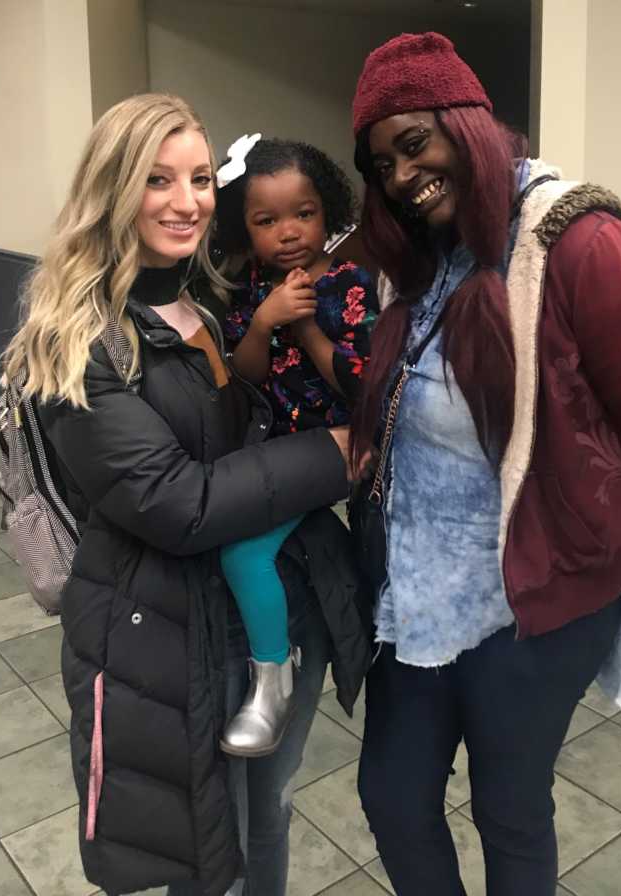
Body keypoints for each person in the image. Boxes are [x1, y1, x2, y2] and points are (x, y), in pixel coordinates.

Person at [347, 33, 621, 896]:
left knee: (509, 810)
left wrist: (582, 538)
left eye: (415, 142)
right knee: (392, 796)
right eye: (382, 163)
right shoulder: (424, 257)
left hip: (531, 606)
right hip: (422, 592)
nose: (403, 176)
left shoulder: (577, 244)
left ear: (466, 124)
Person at [0, 93, 370, 896]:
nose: (187, 199)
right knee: (209, 850)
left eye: (200, 178)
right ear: (112, 188)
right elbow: (178, 504)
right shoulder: (77, 336)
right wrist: (336, 452)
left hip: (272, 607)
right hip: (170, 634)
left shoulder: (204, 300)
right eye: (157, 179)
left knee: (266, 813)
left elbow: (242, 426)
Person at [214, 137, 378, 757]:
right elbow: (248, 372)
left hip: (332, 447)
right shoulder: (249, 285)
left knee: (242, 555)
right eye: (266, 220)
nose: (288, 233)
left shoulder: (349, 283)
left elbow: (359, 384)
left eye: (303, 214)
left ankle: (271, 680)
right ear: (244, 227)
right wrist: (264, 320)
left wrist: (306, 324)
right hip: (271, 446)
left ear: (326, 211)